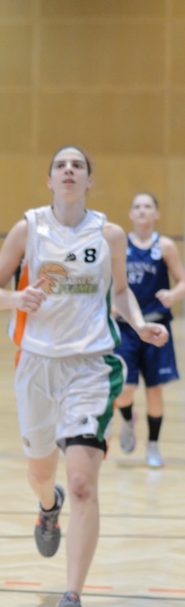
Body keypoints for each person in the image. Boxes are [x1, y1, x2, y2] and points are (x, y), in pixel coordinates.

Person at [0, 146, 168, 607]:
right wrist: (16, 297)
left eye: (77, 165)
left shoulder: (109, 234)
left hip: (90, 366)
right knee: (42, 473)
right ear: (49, 180)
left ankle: (73, 598)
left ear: (89, 180)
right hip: (36, 365)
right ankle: (48, 504)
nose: (69, 170)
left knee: (84, 482)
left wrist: (140, 325)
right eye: (60, 165)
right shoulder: (28, 229)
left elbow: (120, 292)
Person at [114, 192, 185, 468]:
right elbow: (109, 282)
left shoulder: (164, 246)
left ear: (156, 213)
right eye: (137, 206)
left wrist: (173, 294)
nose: (142, 210)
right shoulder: (120, 245)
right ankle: (128, 419)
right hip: (127, 327)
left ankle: (153, 445)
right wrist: (111, 304)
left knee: (154, 391)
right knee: (124, 390)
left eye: (147, 206)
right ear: (130, 214)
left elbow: (182, 281)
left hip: (157, 329)